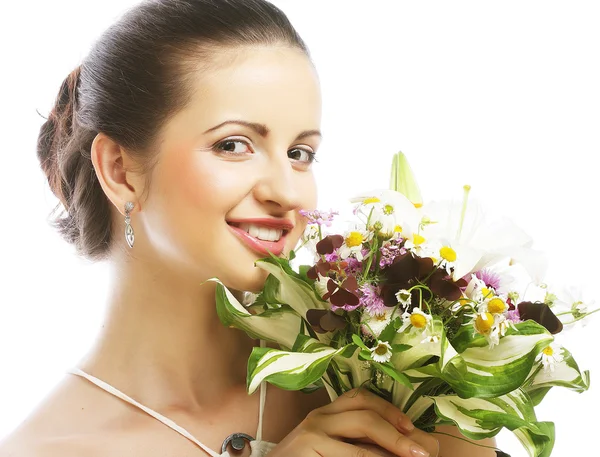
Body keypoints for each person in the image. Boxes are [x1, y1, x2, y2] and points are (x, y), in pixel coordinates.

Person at [0, 1, 496, 456]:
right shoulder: (50, 448)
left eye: (299, 153)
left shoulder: (397, 373)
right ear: (119, 170)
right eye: (233, 145)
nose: (287, 192)